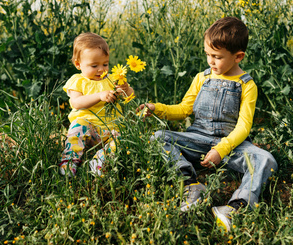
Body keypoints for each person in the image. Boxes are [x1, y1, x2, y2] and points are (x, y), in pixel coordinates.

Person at [138, 17, 277, 232]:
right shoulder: (201, 78)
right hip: (198, 138)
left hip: (231, 145)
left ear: (238, 56)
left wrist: (221, 150)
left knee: (266, 159)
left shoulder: (247, 85)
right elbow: (184, 109)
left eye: (217, 57)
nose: (211, 61)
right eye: (208, 55)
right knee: (158, 137)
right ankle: (191, 186)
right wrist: (157, 108)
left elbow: (243, 127)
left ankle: (235, 207)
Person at [59, 32, 133, 177]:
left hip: (111, 129)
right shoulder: (78, 81)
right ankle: (69, 161)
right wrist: (99, 96)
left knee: (121, 140)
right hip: (89, 127)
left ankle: (100, 161)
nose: (101, 69)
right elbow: (76, 102)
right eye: (94, 65)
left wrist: (126, 89)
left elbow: (130, 95)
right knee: (77, 127)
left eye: (105, 64)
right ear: (78, 64)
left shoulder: (112, 79)